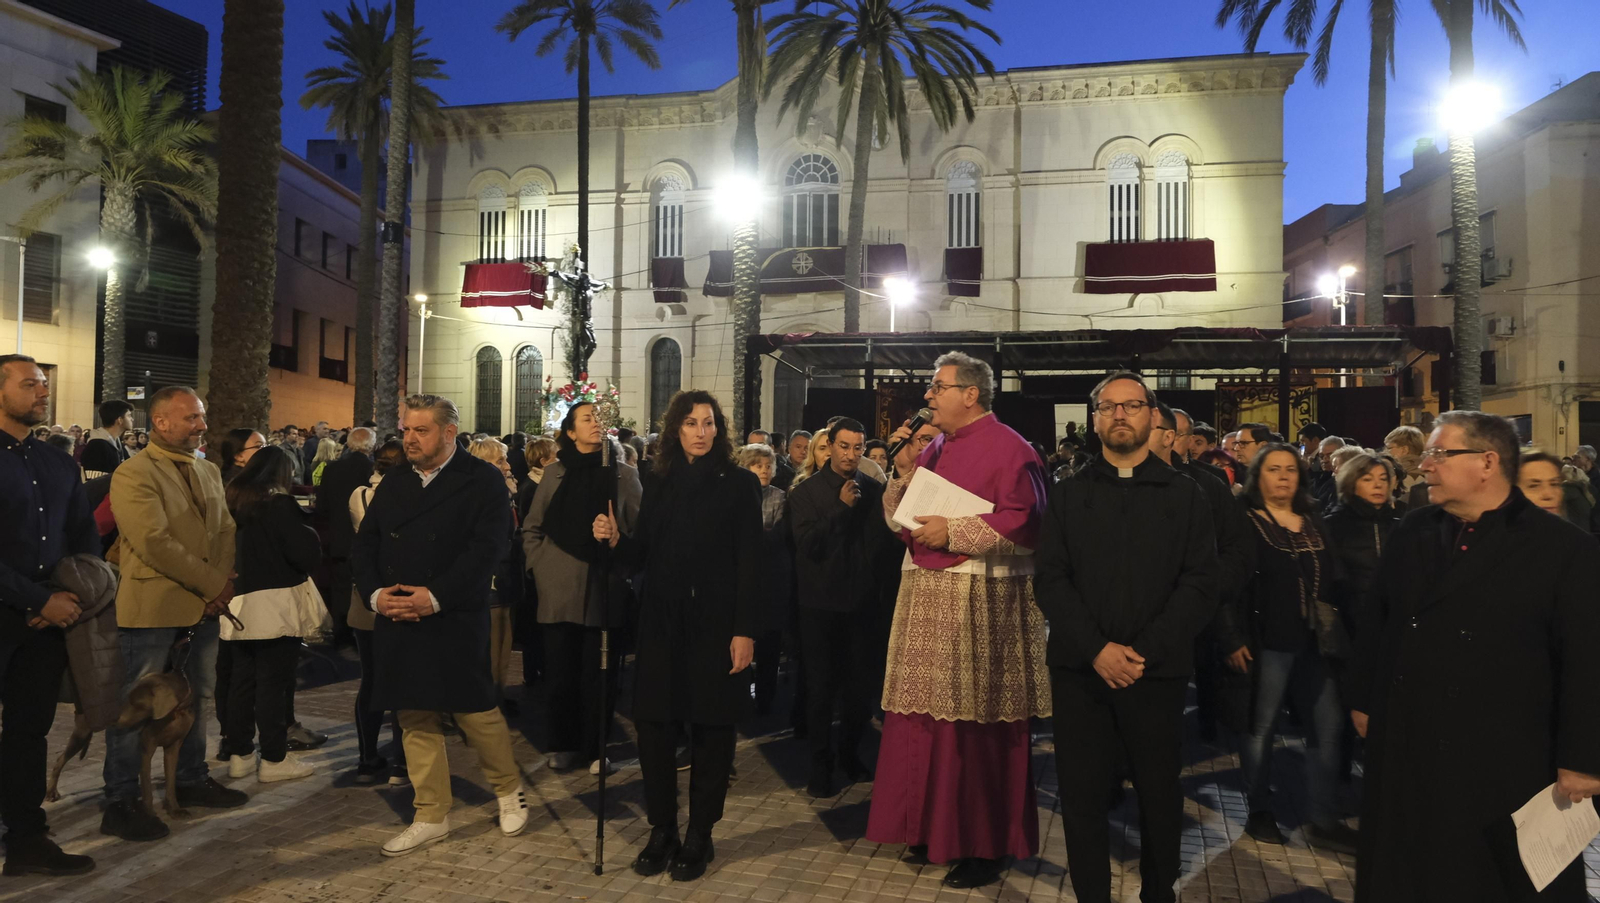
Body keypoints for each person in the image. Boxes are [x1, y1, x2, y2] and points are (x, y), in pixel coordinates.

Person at [1349, 412, 1600, 902]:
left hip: (1504, 756)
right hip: (1409, 742)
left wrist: (1583, 758)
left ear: (1487, 462)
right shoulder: (1415, 528)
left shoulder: (1563, 548)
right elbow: (1378, 621)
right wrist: (1364, 697)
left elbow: (1586, 660)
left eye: (1440, 454)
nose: (1425, 466)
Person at [868, 351, 1051, 890]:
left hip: (980, 610)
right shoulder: (937, 446)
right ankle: (928, 827)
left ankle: (982, 843)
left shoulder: (1012, 449)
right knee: (924, 723)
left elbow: (1029, 521)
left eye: (937, 386)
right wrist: (903, 474)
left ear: (970, 394)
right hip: (926, 603)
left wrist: (955, 532)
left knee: (973, 730)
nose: (928, 395)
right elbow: (901, 519)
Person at [1034, 372, 1218, 903]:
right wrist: (1097, 649)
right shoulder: (1067, 495)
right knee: (1083, 797)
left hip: (1154, 672)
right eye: (1108, 406)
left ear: (1152, 417)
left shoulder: (1186, 496)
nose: (1119, 414)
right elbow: (1052, 579)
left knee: (1160, 797)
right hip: (1080, 672)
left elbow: (1200, 584)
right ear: (1095, 420)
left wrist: (1142, 651)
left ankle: (1159, 893)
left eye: (1131, 405)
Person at [592, 390, 762, 882]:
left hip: (716, 626)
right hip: (662, 623)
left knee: (712, 730)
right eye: (691, 423)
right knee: (655, 728)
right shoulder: (659, 481)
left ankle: (700, 834)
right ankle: (662, 827)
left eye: (709, 423)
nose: (701, 432)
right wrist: (615, 539)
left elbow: (752, 565)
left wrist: (744, 630)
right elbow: (642, 553)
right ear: (676, 429)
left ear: (719, 429)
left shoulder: (740, 484)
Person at [352, 394, 528, 857]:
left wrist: (436, 597)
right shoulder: (395, 481)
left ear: (449, 433)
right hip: (397, 612)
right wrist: (375, 595)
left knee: (475, 709)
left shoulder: (483, 480)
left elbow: (488, 549)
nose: (409, 438)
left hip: (453, 613)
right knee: (413, 714)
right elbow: (366, 543)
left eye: (420, 430)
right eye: (407, 429)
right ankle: (431, 813)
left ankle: (509, 791)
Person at [101, 386, 247, 842]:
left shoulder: (206, 469)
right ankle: (121, 800)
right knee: (135, 705)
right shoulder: (132, 473)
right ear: (161, 422)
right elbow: (152, 540)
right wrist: (211, 584)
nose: (202, 424)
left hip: (204, 606)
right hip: (153, 607)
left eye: (201, 416)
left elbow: (225, 529)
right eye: (192, 418)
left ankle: (190, 777)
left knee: (197, 697)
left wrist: (219, 586)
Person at [1223, 443, 1358, 854]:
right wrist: (1232, 637)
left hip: (1316, 643)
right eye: (1273, 470)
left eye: (1290, 470)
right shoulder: (1244, 521)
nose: (1283, 477)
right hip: (1268, 641)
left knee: (1328, 725)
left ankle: (1322, 817)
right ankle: (1260, 809)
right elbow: (1226, 587)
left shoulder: (1314, 520)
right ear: (1257, 477)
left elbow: (1336, 578)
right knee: (1261, 728)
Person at [0, 354, 99, 876]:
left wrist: (68, 596)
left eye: (44, 384)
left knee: (28, 731)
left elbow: (84, 544)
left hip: (48, 620)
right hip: (17, 610)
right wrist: (38, 601)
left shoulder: (59, 463)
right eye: (30, 384)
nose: (43, 392)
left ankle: (25, 838)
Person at [523, 402, 642, 773]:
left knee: (600, 673)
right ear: (571, 432)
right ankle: (563, 743)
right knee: (560, 672)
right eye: (586, 418)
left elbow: (640, 532)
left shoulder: (623, 474)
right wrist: (540, 567)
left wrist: (617, 541)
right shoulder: (555, 473)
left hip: (604, 588)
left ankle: (595, 748)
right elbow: (532, 527)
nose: (595, 423)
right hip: (559, 588)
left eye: (598, 418)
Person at [786, 418, 891, 798]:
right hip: (820, 606)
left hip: (862, 606)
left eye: (857, 448)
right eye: (844, 446)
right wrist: (841, 510)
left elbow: (883, 548)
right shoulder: (806, 493)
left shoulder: (875, 490)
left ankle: (850, 753)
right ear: (829, 446)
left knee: (859, 689)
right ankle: (820, 765)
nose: (851, 455)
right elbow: (808, 546)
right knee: (820, 689)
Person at [219, 446, 321, 784]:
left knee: (241, 684)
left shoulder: (233, 503)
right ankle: (274, 758)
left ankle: (240, 755)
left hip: (238, 603)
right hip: (276, 603)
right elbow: (303, 555)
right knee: (273, 686)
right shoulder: (278, 506)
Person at [1161, 405, 1253, 745]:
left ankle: (1207, 728)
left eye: (1180, 435)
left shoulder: (1209, 481)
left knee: (1206, 668)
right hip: (1157, 605)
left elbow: (1234, 546)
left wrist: (1212, 585)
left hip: (1203, 597)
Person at [346, 440, 407, 785]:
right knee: (399, 679)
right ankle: (401, 762)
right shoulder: (404, 494)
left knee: (370, 679)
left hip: (366, 597)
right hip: (398, 596)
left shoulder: (360, 496)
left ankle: (368, 758)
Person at [469, 437, 526, 716]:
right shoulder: (480, 494)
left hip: (506, 575)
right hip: (491, 576)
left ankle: (499, 694)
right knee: (490, 643)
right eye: (500, 460)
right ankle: (487, 701)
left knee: (504, 639)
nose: (507, 465)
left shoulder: (504, 492)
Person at [737, 443, 792, 717]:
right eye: (757, 465)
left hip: (769, 581)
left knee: (769, 646)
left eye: (768, 465)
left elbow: (776, 535)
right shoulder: (734, 495)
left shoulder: (780, 497)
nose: (765, 470)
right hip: (741, 581)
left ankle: (765, 699)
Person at [315, 427, 376, 645]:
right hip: (366, 539)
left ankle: (341, 632)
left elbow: (321, 505)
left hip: (338, 538)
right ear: (371, 446)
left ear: (349, 444)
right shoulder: (373, 470)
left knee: (340, 586)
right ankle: (363, 634)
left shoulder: (333, 469)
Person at [81, 399, 134, 479]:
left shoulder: (118, 444)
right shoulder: (97, 446)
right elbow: (94, 482)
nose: (132, 419)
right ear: (120, 420)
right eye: (129, 416)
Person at [1382, 425, 1428, 509]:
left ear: (1404, 450)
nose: (1384, 452)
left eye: (1389, 448)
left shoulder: (1400, 478)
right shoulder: (1430, 475)